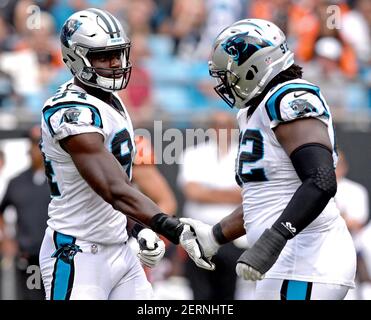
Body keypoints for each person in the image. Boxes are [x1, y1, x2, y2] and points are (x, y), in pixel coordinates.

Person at [39, 8, 210, 300]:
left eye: (118, 53)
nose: (116, 63)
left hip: (119, 248)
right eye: (103, 56)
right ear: (74, 57)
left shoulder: (111, 101)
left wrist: (137, 229)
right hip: (77, 252)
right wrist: (172, 228)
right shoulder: (68, 110)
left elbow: (120, 183)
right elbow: (112, 188)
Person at [180, 18, 357, 300]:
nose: (225, 82)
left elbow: (321, 180)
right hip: (287, 260)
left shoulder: (289, 98)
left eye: (230, 73)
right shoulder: (256, 110)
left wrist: (273, 240)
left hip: (308, 259)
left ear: (254, 66)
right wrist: (215, 236)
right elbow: (267, 199)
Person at [177, 111, 244, 299]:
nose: (223, 131)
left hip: (234, 236)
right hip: (198, 235)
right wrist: (231, 194)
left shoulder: (245, 156)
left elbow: (247, 195)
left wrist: (208, 192)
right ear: (211, 129)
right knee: (200, 294)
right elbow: (192, 192)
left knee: (229, 294)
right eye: (218, 126)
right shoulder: (193, 154)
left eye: (227, 126)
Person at [0, 126, 49, 299]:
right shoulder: (17, 182)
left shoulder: (61, 181)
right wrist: (7, 238)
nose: (36, 149)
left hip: (58, 257)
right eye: (33, 144)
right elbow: (1, 210)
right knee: (34, 296)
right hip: (31, 259)